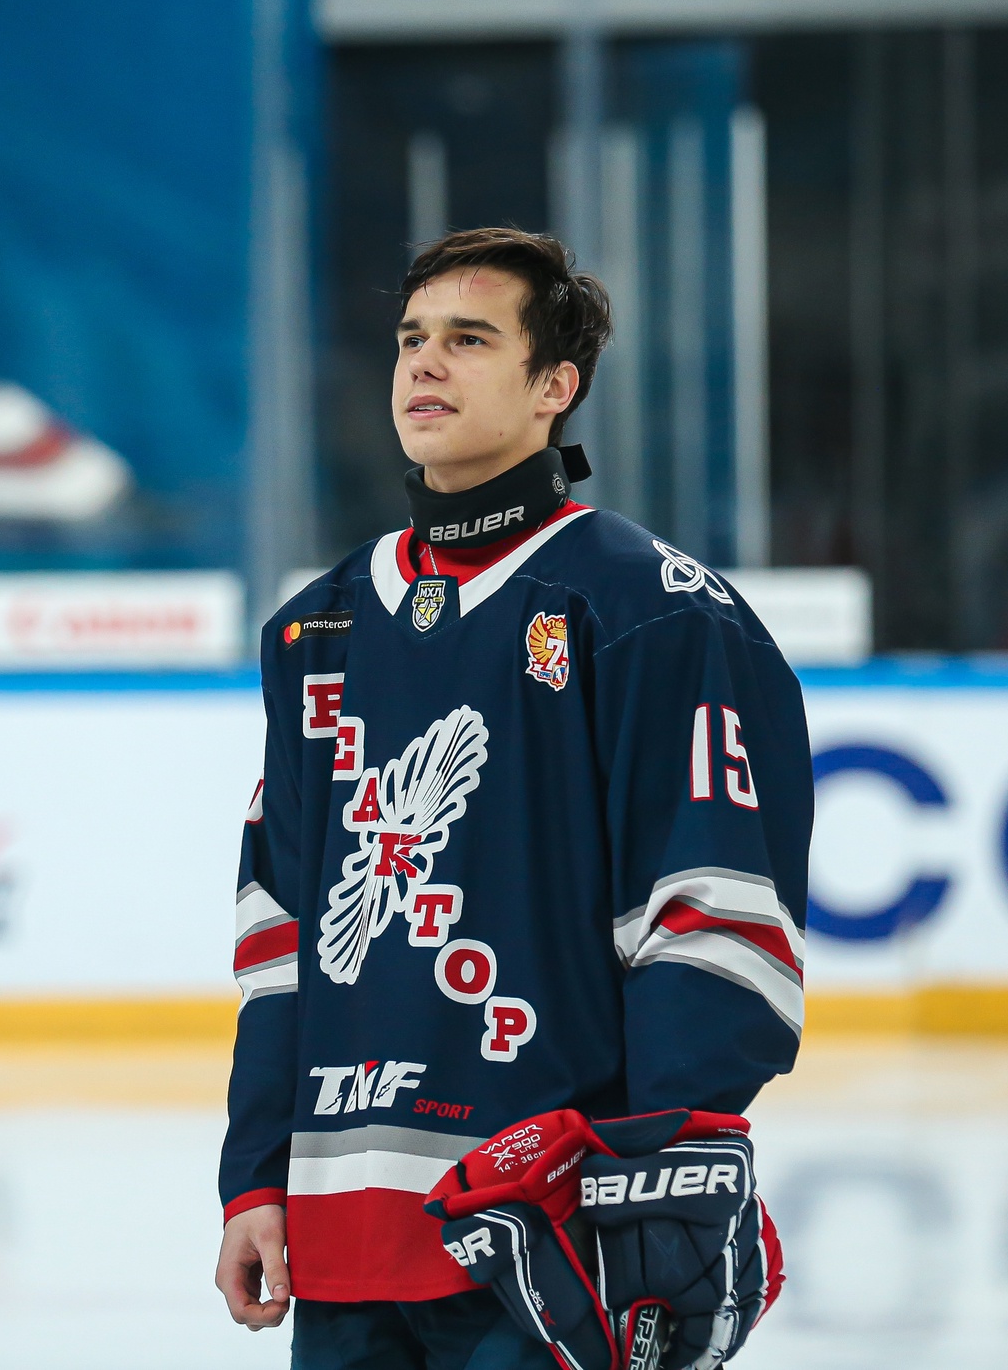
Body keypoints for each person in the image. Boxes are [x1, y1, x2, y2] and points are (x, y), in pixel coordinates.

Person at [214, 227, 811, 1369]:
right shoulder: (316, 628)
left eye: (470, 339)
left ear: (554, 388)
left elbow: (715, 908)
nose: (425, 364)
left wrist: (656, 1172)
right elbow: (280, 931)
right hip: (343, 1236)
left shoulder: (648, 610)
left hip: (551, 1226)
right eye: (411, 339)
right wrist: (256, 1177)